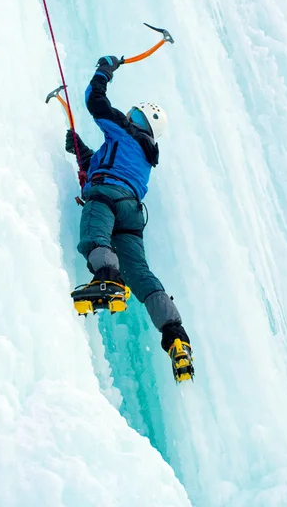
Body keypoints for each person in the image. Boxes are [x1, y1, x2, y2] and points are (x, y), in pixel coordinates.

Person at [66, 56, 193, 381]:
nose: (129, 116)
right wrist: (81, 150)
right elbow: (108, 163)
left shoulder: (124, 131)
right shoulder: (145, 154)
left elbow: (95, 102)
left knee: (95, 236)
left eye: (135, 115)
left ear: (141, 123)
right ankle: (175, 334)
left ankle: (108, 278)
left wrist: (105, 69)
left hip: (107, 195)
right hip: (132, 212)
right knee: (139, 272)